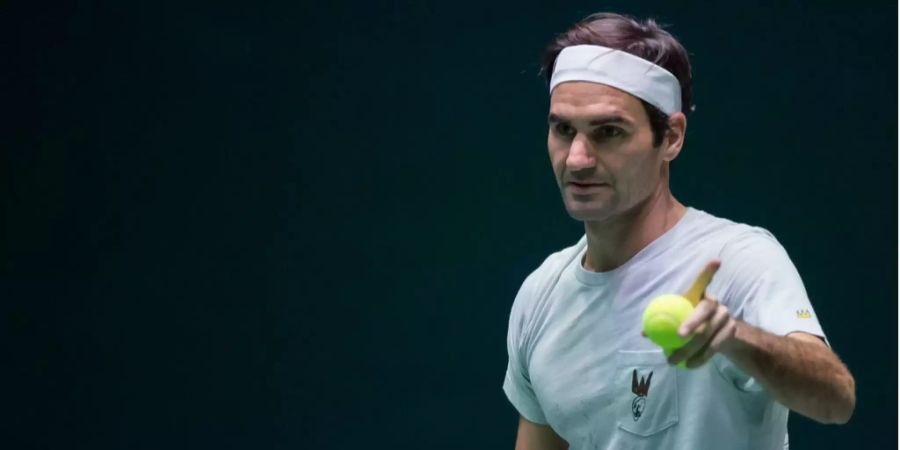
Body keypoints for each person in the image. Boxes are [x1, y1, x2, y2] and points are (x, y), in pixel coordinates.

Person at [502, 12, 856, 450]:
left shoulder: (740, 259)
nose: (577, 158)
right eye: (563, 129)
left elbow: (836, 400)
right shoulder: (540, 295)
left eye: (608, 132)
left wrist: (734, 337)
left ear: (671, 137)